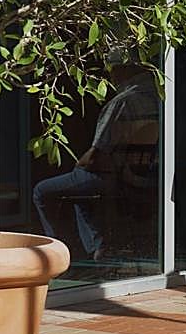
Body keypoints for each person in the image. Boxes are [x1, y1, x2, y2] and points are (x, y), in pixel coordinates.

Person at [32, 51, 158, 260]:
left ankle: (58, 254)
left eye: (111, 70)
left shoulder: (122, 102)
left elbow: (96, 154)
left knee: (42, 191)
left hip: (115, 177)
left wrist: (79, 163)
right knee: (79, 187)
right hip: (144, 175)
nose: (109, 76)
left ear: (122, 69)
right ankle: (98, 247)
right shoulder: (157, 98)